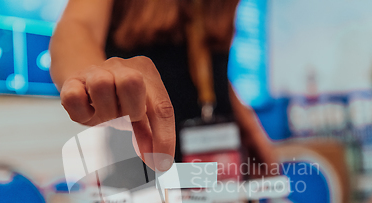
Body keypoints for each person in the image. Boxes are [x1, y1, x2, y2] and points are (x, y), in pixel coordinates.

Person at [50, 0, 276, 175]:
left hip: (221, 161)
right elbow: (78, 27)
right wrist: (93, 76)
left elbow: (202, 62)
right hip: (145, 165)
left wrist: (248, 125)